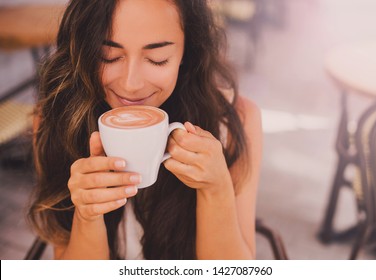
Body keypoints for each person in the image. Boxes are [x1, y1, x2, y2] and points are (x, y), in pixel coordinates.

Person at [28, 0, 262, 260]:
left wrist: (216, 189)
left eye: (157, 59)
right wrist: (87, 215)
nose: (131, 85)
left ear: (187, 51)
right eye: (109, 56)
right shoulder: (59, 120)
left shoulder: (235, 122)